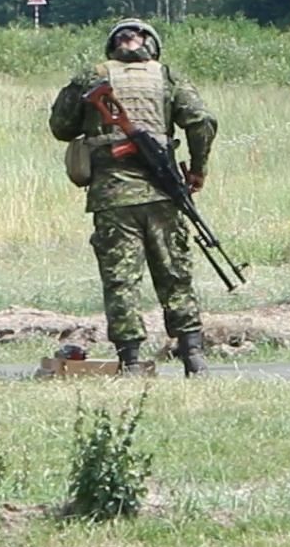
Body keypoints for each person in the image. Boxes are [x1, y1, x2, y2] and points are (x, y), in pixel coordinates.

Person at [49, 19, 218, 376]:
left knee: (121, 279)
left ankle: (131, 360)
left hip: (113, 196)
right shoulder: (167, 77)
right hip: (162, 194)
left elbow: (61, 127)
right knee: (174, 273)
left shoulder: (91, 76)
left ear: (113, 47)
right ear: (151, 47)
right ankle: (193, 355)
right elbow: (201, 121)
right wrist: (198, 169)